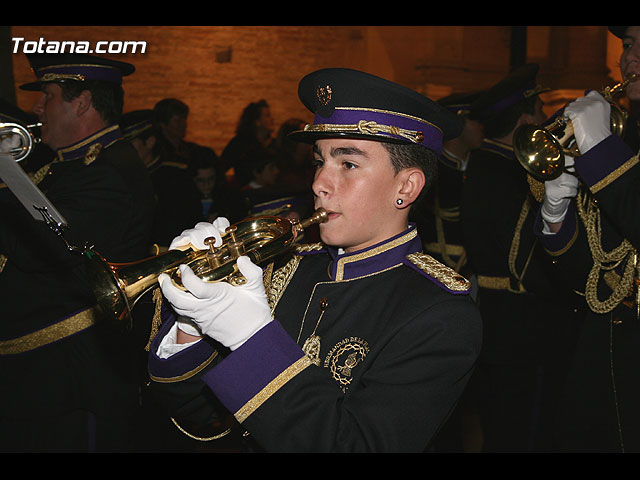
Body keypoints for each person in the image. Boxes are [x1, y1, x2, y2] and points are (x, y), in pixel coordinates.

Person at [146, 68, 483, 453]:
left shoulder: (439, 314)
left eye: (348, 164)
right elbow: (190, 410)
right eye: (319, 161)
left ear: (406, 187)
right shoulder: (284, 269)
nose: (319, 183)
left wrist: (251, 339)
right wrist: (193, 320)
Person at [0, 53, 155, 452]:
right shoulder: (66, 165)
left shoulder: (110, 173)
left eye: (47, 96)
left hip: (69, 381)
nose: (36, 108)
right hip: (39, 376)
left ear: (82, 102)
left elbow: (41, 248)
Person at [460, 63, 582, 452]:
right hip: (525, 323)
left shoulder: (484, 165)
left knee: (503, 423)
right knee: (527, 429)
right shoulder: (509, 173)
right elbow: (529, 258)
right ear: (525, 117)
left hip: (497, 316)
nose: (545, 116)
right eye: (539, 108)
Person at [533, 25, 640, 452]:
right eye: (630, 45)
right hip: (611, 339)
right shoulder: (626, 134)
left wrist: (599, 150)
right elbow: (593, 274)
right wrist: (557, 212)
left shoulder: (612, 145)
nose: (631, 58)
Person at [120, 109, 202, 250]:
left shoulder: (175, 176)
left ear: (150, 142)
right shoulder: (120, 178)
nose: (124, 151)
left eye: (129, 144)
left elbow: (187, 225)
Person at [153, 98, 221, 172]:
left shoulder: (197, 152)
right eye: (178, 121)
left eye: (184, 119)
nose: (184, 124)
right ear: (162, 124)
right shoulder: (156, 155)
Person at [220, 99, 275, 187]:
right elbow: (221, 167)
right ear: (257, 122)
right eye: (267, 115)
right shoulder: (239, 144)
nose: (272, 119)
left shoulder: (274, 144)